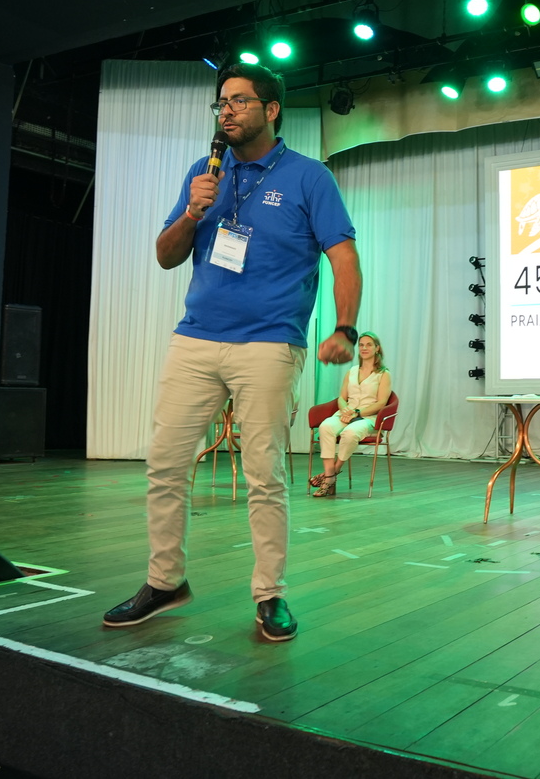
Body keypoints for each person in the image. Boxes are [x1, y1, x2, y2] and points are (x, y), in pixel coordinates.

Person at [103, 63, 361, 641]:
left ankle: (270, 594)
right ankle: (164, 581)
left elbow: (343, 256)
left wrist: (345, 327)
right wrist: (193, 211)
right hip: (195, 338)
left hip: (268, 342)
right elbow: (166, 255)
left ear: (272, 109)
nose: (227, 111)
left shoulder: (309, 177)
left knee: (263, 474)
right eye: (222, 102)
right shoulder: (205, 173)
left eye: (240, 101)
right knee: (165, 464)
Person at [310, 332, 392, 497]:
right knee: (325, 427)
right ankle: (330, 475)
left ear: (377, 348)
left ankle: (329, 477)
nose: (364, 348)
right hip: (346, 413)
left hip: (368, 417)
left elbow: (381, 403)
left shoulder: (383, 374)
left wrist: (357, 412)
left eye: (369, 344)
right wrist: (346, 410)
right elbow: (342, 397)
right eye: (361, 345)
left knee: (350, 433)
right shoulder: (352, 371)